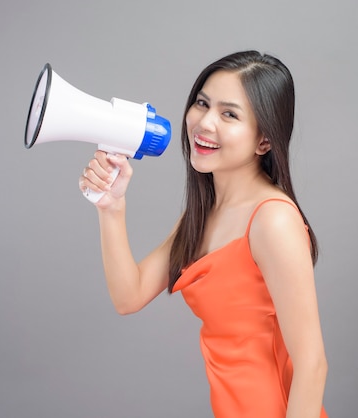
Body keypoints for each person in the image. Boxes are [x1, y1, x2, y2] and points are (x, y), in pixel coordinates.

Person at [79, 50, 328, 418]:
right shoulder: (203, 214)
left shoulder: (272, 221)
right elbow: (128, 296)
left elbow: (312, 365)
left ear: (264, 141)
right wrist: (111, 207)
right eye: (202, 103)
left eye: (229, 114)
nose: (204, 123)